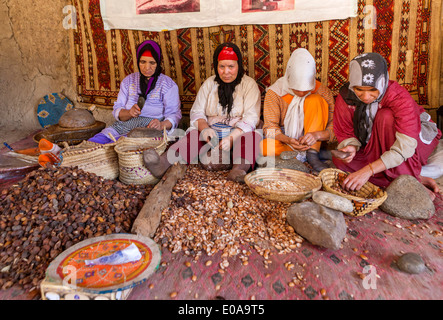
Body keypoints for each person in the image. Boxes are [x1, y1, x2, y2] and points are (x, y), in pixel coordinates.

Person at [143, 42, 262, 182]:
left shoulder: (249, 85)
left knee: (251, 138)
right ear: (216, 66)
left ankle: (238, 170)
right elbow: (197, 111)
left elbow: (252, 117)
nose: (226, 72)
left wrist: (231, 138)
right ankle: (163, 163)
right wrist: (204, 129)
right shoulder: (209, 83)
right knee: (193, 136)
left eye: (231, 66)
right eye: (222, 66)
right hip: (213, 135)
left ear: (239, 65)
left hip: (238, 134)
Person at [333, 52, 441, 199]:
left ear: (382, 82)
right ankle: (412, 177)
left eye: (372, 90)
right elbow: (345, 132)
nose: (365, 97)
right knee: (339, 162)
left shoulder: (398, 97)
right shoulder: (347, 96)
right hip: (375, 142)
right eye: (359, 89)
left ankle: (410, 179)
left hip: (413, 141)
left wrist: (368, 170)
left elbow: (405, 147)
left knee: (386, 117)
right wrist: (351, 147)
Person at [88, 40, 181, 144]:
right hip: (123, 126)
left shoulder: (168, 84)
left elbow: (174, 115)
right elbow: (118, 110)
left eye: (152, 63)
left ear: (158, 62)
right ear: (137, 61)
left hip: (151, 130)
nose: (147, 67)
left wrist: (161, 124)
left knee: (121, 146)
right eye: (142, 62)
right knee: (94, 143)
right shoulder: (128, 81)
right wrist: (129, 113)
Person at [260, 48, 336, 172]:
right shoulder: (275, 93)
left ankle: (312, 155)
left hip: (315, 141)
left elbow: (335, 127)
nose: (301, 93)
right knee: (264, 147)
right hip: (286, 141)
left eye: (306, 90)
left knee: (315, 100)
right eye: (296, 89)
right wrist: (288, 140)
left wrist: (316, 135)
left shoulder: (322, 92)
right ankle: (316, 156)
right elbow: (269, 128)